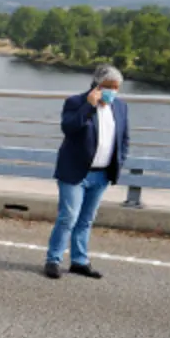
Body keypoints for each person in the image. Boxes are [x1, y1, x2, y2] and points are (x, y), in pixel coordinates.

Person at [45, 63, 131, 280]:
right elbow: (68, 128)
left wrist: (119, 161)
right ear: (97, 85)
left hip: (101, 174)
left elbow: (124, 138)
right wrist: (89, 107)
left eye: (116, 87)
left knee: (86, 220)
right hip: (75, 172)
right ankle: (53, 259)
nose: (113, 91)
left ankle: (79, 261)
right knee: (68, 217)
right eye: (109, 86)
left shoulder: (120, 107)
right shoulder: (76, 102)